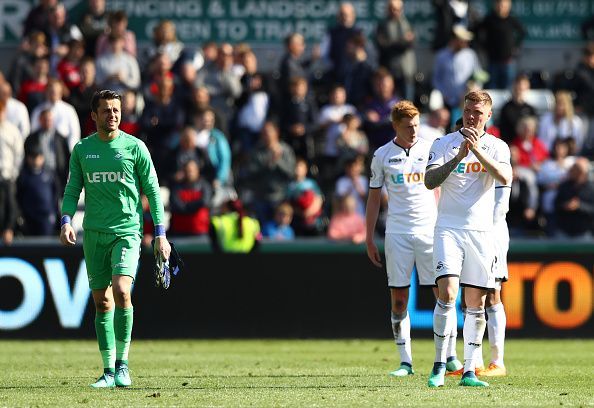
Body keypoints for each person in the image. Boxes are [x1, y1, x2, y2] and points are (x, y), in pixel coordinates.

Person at [59, 89, 171, 388]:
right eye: (106, 110)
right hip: (94, 234)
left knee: (122, 290)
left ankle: (123, 365)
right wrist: (67, 220)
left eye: (116, 110)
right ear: (93, 115)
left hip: (127, 231)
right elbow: (72, 190)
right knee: (101, 302)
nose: (113, 115)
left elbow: (153, 192)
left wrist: (160, 234)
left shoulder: (135, 148)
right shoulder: (83, 150)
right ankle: (108, 371)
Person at [366, 100, 464, 377]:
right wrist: (369, 238)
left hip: (430, 230)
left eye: (417, 125)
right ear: (395, 126)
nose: (413, 131)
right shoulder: (382, 155)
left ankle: (451, 356)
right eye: (408, 126)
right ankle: (405, 362)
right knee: (399, 299)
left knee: (443, 295)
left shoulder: (431, 147)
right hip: (397, 234)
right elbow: (373, 200)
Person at [424, 90, 512, 387]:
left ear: (489, 116)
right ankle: (438, 365)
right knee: (448, 294)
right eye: (469, 110)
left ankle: (470, 371)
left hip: (481, 232)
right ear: (462, 110)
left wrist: (477, 152)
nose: (472, 116)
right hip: (448, 227)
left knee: (476, 303)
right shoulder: (444, 143)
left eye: (479, 112)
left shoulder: (498, 147)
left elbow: (504, 178)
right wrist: (458, 156)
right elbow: (429, 181)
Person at [475, 0, 526, 90]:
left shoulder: (511, 19)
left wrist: (515, 46)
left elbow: (522, 33)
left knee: (508, 89)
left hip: (508, 62)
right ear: (495, 5)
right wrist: (483, 46)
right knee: (491, 88)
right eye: (499, 4)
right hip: (492, 62)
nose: (501, 7)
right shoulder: (489, 19)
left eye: (504, 4)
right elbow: (477, 31)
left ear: (508, 6)